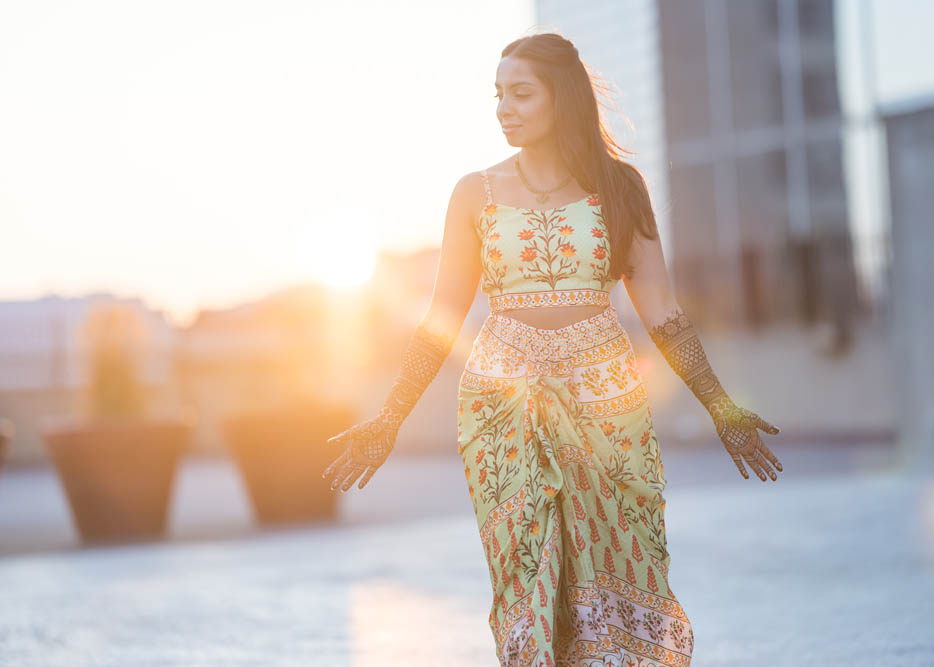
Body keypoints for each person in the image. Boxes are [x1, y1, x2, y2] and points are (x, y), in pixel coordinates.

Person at [322, 32, 783, 667]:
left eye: (520, 93)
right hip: (501, 407)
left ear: (560, 98)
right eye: (497, 95)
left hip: (606, 406)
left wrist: (721, 406)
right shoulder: (473, 193)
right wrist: (390, 416)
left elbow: (664, 314)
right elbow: (441, 317)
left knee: (616, 570)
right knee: (527, 569)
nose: (503, 108)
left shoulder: (621, 189)